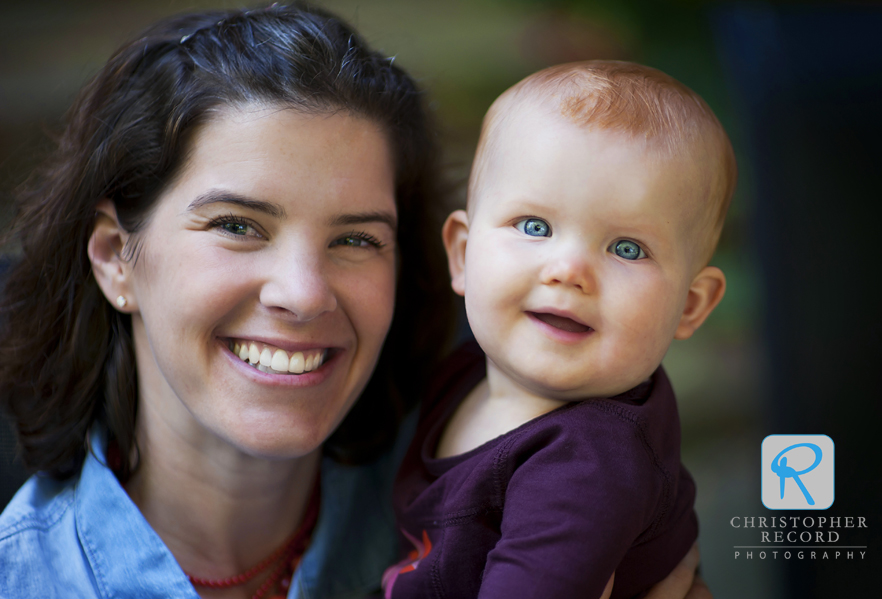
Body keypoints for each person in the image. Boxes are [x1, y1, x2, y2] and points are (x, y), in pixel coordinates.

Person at [0, 4, 710, 598]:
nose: (304, 292)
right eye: (238, 226)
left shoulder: (512, 472)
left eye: (357, 240)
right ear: (115, 258)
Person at [384, 61, 735, 599]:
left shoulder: (588, 465)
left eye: (627, 248)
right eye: (535, 227)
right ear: (462, 252)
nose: (568, 270)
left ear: (690, 305)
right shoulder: (463, 369)